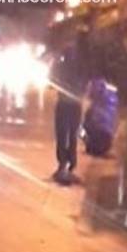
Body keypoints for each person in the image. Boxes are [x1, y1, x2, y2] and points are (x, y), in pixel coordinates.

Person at [51, 37, 90, 185]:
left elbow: (52, 80)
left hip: (64, 104)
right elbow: (86, 83)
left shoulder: (61, 66)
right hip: (74, 104)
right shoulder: (81, 66)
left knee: (63, 135)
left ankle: (63, 165)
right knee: (72, 136)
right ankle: (69, 166)